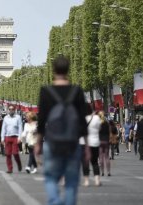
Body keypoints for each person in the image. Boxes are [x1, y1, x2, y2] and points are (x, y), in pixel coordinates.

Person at [36, 56, 89, 205]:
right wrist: (87, 145)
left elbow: (42, 119)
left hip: (52, 142)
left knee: (51, 178)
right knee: (71, 183)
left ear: (53, 69)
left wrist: (38, 142)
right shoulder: (77, 91)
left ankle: (55, 202)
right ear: (68, 69)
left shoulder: (46, 91)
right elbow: (82, 120)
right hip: (73, 142)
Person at [82, 105, 101, 187]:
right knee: (95, 161)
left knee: (85, 162)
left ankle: (86, 181)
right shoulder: (96, 118)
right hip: (95, 142)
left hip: (84, 142)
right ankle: (97, 180)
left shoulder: (82, 118)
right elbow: (99, 128)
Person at [1, 105, 23, 173]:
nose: (11, 110)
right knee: (8, 154)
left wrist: (20, 137)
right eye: (9, 109)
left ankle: (19, 164)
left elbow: (20, 128)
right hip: (7, 137)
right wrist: (2, 138)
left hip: (15, 137)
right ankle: (10, 169)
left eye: (12, 109)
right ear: (8, 110)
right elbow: (3, 128)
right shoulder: (5, 118)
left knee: (15, 153)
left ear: (14, 110)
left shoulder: (18, 117)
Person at [98, 111, 111, 177]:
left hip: (100, 141)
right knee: (107, 157)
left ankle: (102, 172)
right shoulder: (107, 123)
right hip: (106, 141)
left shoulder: (98, 123)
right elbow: (109, 132)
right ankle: (108, 172)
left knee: (101, 157)